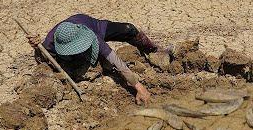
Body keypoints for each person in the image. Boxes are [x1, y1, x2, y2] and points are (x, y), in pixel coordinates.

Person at [26, 14, 173, 105]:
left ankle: (152, 50)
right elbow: (42, 61)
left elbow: (116, 60)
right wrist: (36, 48)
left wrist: (138, 87)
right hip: (66, 55)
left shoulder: (91, 35)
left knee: (129, 29)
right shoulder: (50, 43)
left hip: (97, 26)